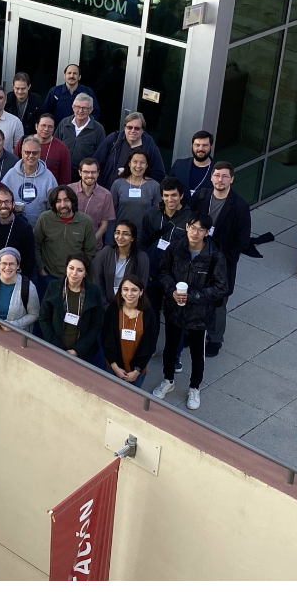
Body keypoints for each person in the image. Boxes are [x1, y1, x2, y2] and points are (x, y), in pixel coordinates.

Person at [152, 214, 229, 410]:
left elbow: (221, 287)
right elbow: (164, 271)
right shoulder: (175, 248)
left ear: (207, 232)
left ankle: (194, 387)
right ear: (186, 227)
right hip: (173, 310)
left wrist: (192, 296)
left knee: (197, 354)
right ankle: (168, 380)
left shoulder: (215, 256)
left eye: (201, 229)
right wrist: (172, 290)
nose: (195, 233)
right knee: (170, 348)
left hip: (199, 315)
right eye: (193, 227)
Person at [191, 161, 250, 358]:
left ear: (232, 179)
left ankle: (215, 339)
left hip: (221, 263)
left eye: (225, 176)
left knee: (217, 303)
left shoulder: (240, 206)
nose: (220, 180)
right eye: (217, 175)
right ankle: (190, 332)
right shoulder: (201, 196)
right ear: (211, 177)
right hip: (196, 257)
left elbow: (242, 240)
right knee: (193, 295)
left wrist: (223, 261)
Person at [38, 254, 106, 366]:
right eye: (71, 268)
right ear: (66, 269)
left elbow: (96, 325)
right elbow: (44, 318)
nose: (74, 273)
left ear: (85, 273)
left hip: (82, 354)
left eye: (80, 270)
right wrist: (58, 347)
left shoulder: (94, 291)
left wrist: (77, 350)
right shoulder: (54, 286)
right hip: (54, 349)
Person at [33, 186, 97, 298]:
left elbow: (90, 252)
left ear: (73, 201)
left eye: (66, 200)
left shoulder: (86, 221)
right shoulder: (45, 218)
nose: (62, 205)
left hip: (74, 278)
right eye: (58, 201)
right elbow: (35, 245)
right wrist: (41, 269)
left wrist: (80, 273)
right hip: (49, 276)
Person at [140, 177, 191, 309]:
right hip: (152, 272)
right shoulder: (152, 213)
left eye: (174, 195)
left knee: (172, 311)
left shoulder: (190, 218)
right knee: (151, 310)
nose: (170, 199)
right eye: (166, 195)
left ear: (181, 195)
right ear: (162, 196)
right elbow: (142, 242)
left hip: (174, 275)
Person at [103, 276, 160, 389]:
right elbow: (105, 339)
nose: (129, 293)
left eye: (134, 290)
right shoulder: (112, 310)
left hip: (137, 372)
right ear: (120, 292)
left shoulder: (149, 314)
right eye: (125, 289)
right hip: (113, 368)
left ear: (141, 292)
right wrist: (115, 368)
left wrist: (137, 371)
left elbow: (151, 345)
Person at [93, 112, 167, 189]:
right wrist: (100, 188)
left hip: (135, 194)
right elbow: (96, 163)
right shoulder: (114, 140)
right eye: (129, 127)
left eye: (137, 128)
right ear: (125, 128)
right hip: (108, 191)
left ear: (142, 130)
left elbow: (159, 174)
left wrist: (138, 180)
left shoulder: (149, 147)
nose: (133, 131)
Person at [0, 248, 40, 333]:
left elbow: (34, 314)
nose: (7, 267)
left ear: (18, 266)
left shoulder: (29, 287)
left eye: (11, 264)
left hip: (15, 335)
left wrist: (14, 325)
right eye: (4, 263)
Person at [0, 188, 37, 282]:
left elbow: (29, 259)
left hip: (15, 278)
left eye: (7, 202)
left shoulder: (24, 227)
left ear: (13, 204)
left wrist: (23, 282)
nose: (3, 205)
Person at [2, 136, 57, 226]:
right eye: (27, 152)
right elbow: (1, 199)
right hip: (14, 225)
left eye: (34, 153)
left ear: (39, 154)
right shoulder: (10, 174)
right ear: (22, 153)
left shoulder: (48, 177)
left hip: (40, 227)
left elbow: (54, 205)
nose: (31, 156)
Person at [92, 219, 151, 301]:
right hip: (106, 303)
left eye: (125, 234)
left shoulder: (141, 257)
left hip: (130, 302)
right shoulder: (106, 252)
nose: (120, 237)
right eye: (117, 233)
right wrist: (104, 304)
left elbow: (141, 285)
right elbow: (98, 280)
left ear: (132, 238)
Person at [110, 150, 161, 234]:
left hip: (144, 235)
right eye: (135, 162)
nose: (138, 166)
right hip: (121, 235)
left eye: (142, 162)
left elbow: (157, 214)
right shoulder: (118, 183)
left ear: (147, 165)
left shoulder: (154, 186)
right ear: (129, 163)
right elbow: (111, 212)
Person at [73, 157, 116, 248]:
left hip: (93, 248)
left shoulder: (106, 195)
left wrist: (91, 242)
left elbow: (104, 225)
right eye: (86, 172)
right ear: (80, 172)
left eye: (93, 172)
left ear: (98, 173)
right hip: (70, 245)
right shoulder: (69, 190)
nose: (90, 175)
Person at [169, 130, 216, 208]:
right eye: (197, 145)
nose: (200, 148)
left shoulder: (218, 170)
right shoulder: (179, 165)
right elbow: (167, 188)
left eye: (205, 145)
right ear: (192, 146)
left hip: (204, 213)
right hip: (178, 212)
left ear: (211, 146)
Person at [56, 93, 106, 167]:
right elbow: (55, 145)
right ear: (73, 107)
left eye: (84, 108)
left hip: (84, 172)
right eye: (77, 107)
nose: (80, 111)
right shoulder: (64, 123)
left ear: (90, 110)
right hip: (61, 169)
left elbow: (100, 155)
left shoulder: (98, 129)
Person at [34, 113, 73, 186]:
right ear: (36, 126)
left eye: (50, 127)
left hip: (51, 189)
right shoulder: (25, 142)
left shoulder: (62, 148)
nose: (46, 129)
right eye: (43, 125)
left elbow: (65, 177)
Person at [6, 72, 42, 139]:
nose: (20, 91)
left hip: (30, 137)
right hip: (11, 136)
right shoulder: (8, 99)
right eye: (17, 88)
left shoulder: (36, 100)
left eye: (23, 88)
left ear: (29, 87)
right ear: (13, 87)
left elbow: (39, 120)